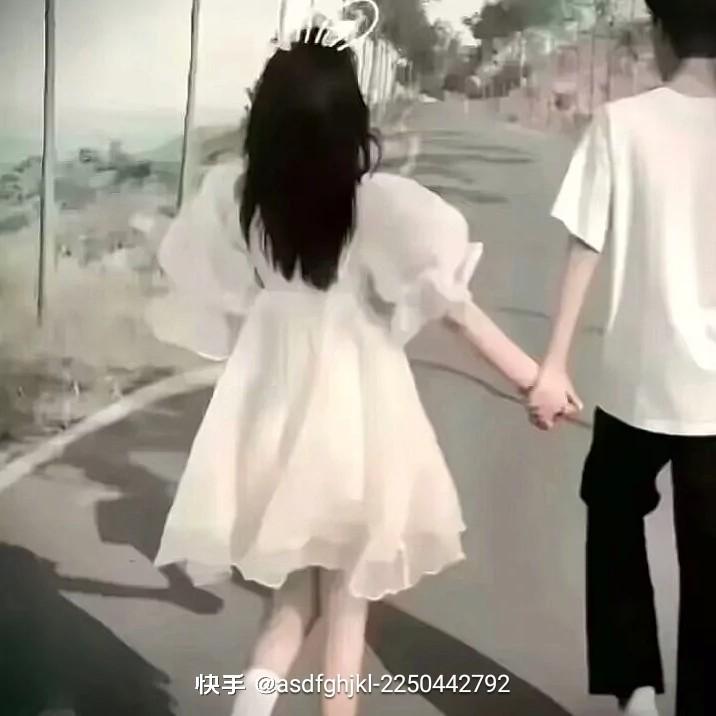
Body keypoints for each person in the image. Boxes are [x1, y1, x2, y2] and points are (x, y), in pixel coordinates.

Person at [148, 17, 569, 716]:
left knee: (291, 604)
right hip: (356, 428)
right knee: (345, 614)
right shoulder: (373, 204)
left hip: (274, 421)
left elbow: (214, 297)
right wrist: (532, 378)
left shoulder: (241, 201)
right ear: (350, 125)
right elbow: (455, 309)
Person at [528, 1, 716, 714]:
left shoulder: (622, 122)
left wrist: (554, 364)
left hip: (638, 384)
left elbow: (586, 241)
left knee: (612, 510)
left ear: (662, 35)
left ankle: (635, 689)